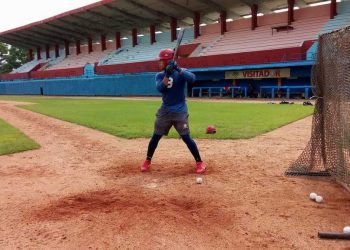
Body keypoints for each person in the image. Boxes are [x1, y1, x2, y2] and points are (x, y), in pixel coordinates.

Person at [141, 48, 206, 174]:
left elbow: (192, 79)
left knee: (186, 137)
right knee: (155, 137)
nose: (159, 63)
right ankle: (147, 161)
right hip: (165, 111)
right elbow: (161, 88)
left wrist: (178, 69)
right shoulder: (160, 75)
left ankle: (199, 162)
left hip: (180, 111)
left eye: (161, 60)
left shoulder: (181, 72)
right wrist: (167, 74)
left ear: (168, 61)